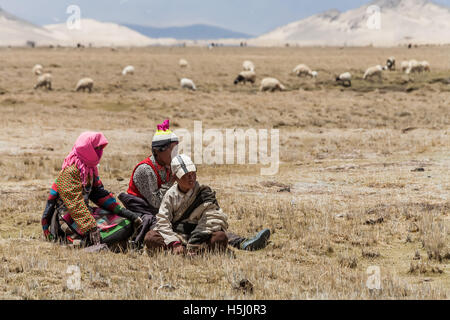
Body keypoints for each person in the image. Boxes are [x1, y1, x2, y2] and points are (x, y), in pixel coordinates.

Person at [119, 120, 271, 251]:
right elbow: (156, 203)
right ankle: (183, 246)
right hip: (150, 214)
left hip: (171, 210)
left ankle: (243, 243)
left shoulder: (166, 166)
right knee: (162, 233)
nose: (175, 154)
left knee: (205, 223)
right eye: (172, 150)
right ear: (158, 151)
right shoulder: (145, 170)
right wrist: (174, 181)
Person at [41, 132, 142, 250]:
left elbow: (99, 195)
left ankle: (100, 242)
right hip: (69, 218)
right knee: (122, 229)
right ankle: (84, 242)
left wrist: (125, 213)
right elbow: (75, 205)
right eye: (96, 148)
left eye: (100, 148)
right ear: (86, 149)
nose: (100, 152)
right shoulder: (70, 172)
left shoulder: (89, 170)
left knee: (126, 223)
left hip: (87, 214)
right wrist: (91, 227)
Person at [144, 154, 228, 255]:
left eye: (193, 174)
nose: (191, 178)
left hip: (200, 235)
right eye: (186, 175)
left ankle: (193, 251)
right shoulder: (170, 194)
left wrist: (195, 241)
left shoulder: (204, 193)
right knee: (150, 237)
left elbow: (212, 219)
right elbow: (163, 220)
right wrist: (174, 242)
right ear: (175, 177)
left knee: (220, 237)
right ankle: (183, 250)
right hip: (177, 235)